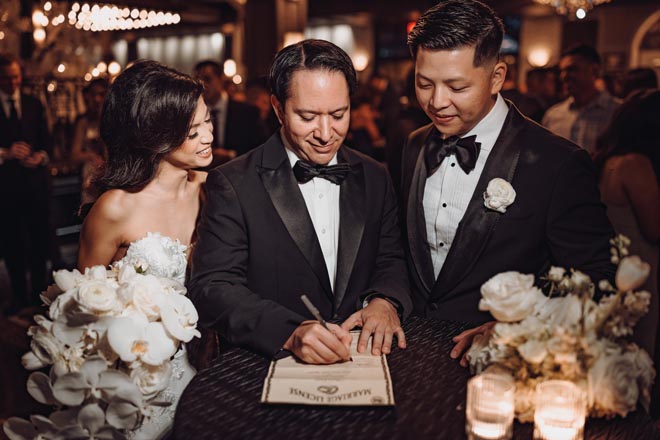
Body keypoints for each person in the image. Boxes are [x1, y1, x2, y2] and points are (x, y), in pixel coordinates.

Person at [401, 0, 615, 364]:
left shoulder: (558, 163)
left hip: (502, 362)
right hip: (412, 350)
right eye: (424, 84)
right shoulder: (414, 144)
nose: (437, 102)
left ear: (497, 77)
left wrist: (518, 327)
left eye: (456, 86)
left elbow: (598, 281)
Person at [188, 39, 412, 365]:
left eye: (338, 114)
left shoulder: (375, 175)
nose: (325, 133)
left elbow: (391, 259)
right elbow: (213, 287)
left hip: (365, 359)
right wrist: (288, 332)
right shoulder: (234, 182)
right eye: (307, 117)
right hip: (266, 365)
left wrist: (385, 301)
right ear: (278, 109)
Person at [77, 60, 213, 439]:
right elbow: (83, 312)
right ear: (157, 134)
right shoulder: (115, 208)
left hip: (204, 372)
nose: (207, 137)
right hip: (133, 383)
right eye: (192, 131)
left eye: (208, 122)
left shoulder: (212, 190)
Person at [593, 90, 660, 358]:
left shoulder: (609, 159)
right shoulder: (635, 164)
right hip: (637, 269)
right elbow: (654, 229)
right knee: (636, 350)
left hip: (617, 265)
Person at [0, 53, 52, 314]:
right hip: (6, 190)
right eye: (8, 78)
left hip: (35, 188)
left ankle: (38, 295)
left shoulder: (33, 103)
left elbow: (47, 141)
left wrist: (40, 156)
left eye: (16, 77)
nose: (13, 82)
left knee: (39, 243)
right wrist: (5, 153)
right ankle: (18, 297)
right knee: (12, 245)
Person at [542, 44, 620, 153]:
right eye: (562, 71)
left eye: (572, 69)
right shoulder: (553, 115)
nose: (564, 76)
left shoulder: (617, 112)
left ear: (595, 70)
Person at [193, 60, 266, 166]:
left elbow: (260, 148)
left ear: (221, 79)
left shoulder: (247, 112)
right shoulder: (193, 113)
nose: (202, 85)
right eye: (198, 81)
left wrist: (231, 154)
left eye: (207, 79)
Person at [70, 78, 108, 206]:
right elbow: (74, 155)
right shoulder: (83, 121)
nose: (97, 99)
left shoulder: (113, 122)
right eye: (94, 95)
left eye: (101, 94)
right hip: (90, 176)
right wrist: (91, 156)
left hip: (110, 174)